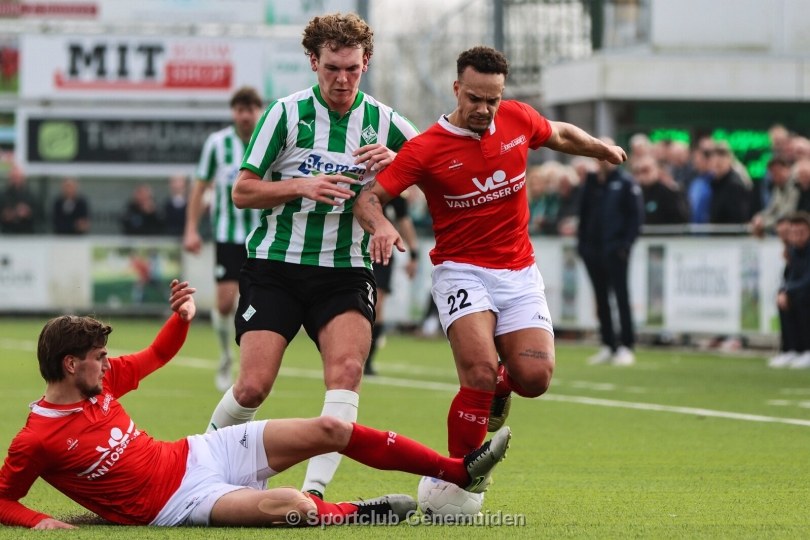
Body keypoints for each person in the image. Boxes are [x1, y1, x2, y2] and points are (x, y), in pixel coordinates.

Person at [0, 279, 511, 529]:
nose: (108, 364)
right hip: (178, 506)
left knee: (330, 429)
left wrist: (183, 316)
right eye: (99, 357)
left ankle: (457, 471)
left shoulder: (102, 382)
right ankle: (358, 513)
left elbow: (157, 354)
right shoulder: (36, 440)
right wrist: (37, 521)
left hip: (200, 454)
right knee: (291, 504)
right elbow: (2, 500)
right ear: (70, 365)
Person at [352, 46, 627, 460]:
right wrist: (384, 226)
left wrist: (600, 149)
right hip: (461, 271)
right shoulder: (426, 148)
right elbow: (368, 199)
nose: (484, 108)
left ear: (503, 93)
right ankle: (459, 478)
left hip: (518, 271)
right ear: (457, 88)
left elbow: (561, 134)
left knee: (534, 378)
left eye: (492, 99)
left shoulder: (517, 118)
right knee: (478, 373)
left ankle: (503, 384)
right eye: (474, 98)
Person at [206, 13, 419, 503]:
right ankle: (199, 467)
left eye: (351, 69)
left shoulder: (388, 123)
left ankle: (316, 494)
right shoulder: (283, 114)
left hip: (343, 270)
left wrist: (402, 164)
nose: (341, 80)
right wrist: (300, 184)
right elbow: (243, 191)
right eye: (331, 69)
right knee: (253, 387)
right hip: (275, 267)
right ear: (312, 62)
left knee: (346, 373)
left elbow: (438, 170)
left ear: (366, 62)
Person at [183, 87, 264, 392]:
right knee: (225, 302)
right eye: (240, 110)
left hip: (261, 237)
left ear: (258, 111)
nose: (245, 116)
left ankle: (250, 366)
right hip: (227, 237)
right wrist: (191, 229)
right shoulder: (217, 144)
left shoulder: (268, 141)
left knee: (255, 304)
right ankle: (225, 357)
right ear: (234, 112)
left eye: (250, 109)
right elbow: (199, 187)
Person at [577, 137, 644, 366]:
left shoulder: (626, 183)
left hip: (615, 250)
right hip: (593, 250)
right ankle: (608, 343)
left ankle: (626, 344)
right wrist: (582, 246)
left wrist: (625, 246)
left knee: (621, 297)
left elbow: (635, 219)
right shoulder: (591, 183)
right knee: (601, 298)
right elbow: (583, 216)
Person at [365, 193, 419, 376]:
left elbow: (404, 220)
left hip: (381, 253)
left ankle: (368, 360)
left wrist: (414, 254)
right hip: (353, 249)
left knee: (377, 306)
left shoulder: (394, 190)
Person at [770, 211, 810, 369]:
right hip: (800, 292)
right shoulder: (793, 251)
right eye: (794, 233)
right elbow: (789, 276)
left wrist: (789, 290)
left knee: (801, 299)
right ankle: (790, 349)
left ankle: (807, 349)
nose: (798, 236)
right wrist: (783, 291)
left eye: (802, 232)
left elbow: (808, 279)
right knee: (783, 300)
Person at [632, 155, 689, 226]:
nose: (642, 175)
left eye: (646, 170)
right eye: (638, 172)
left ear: (656, 170)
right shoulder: (635, 193)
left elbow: (680, 218)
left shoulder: (668, 192)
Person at [750, 157, 798, 237]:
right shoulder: (777, 187)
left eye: (778, 171)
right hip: (777, 225)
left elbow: (787, 213)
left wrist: (764, 223)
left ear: (787, 169)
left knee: (783, 226)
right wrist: (760, 217)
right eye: (773, 173)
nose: (776, 175)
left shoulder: (796, 186)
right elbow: (771, 208)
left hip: (795, 227)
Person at [0, 163, 39, 234]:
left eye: (17, 177)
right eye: (13, 177)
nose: (16, 180)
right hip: (7, 233)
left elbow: (40, 216)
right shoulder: (2, 195)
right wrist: (6, 214)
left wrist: (28, 212)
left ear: (23, 179)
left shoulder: (31, 195)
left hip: (26, 233)